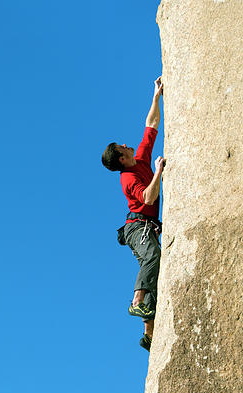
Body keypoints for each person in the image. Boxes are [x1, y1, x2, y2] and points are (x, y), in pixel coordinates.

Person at [101, 77, 166, 352]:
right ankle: (137, 301)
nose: (128, 145)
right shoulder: (128, 177)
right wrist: (159, 171)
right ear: (121, 159)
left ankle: (148, 332)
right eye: (122, 148)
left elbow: (150, 126)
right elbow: (148, 197)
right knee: (152, 257)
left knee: (157, 271)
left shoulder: (138, 159)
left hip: (146, 225)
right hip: (137, 227)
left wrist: (156, 97)